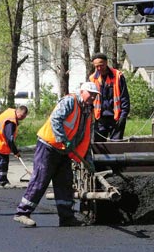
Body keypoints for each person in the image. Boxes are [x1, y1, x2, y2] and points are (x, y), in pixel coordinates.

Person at [13, 82, 99, 228]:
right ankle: (23, 212)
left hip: (65, 150)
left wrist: (88, 160)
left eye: (95, 95)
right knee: (41, 179)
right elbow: (55, 120)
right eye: (90, 93)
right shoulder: (70, 101)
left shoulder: (88, 111)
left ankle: (66, 217)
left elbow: (86, 138)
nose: (92, 97)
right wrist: (63, 139)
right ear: (82, 92)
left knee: (65, 183)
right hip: (49, 146)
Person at [89, 53, 130, 141]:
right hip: (100, 119)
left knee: (115, 147)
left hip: (116, 118)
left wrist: (123, 116)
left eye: (101, 65)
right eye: (96, 66)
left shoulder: (118, 76)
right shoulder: (92, 79)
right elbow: (89, 100)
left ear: (106, 63)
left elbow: (124, 98)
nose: (99, 68)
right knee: (99, 147)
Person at [0, 105, 28, 188]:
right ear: (18, 112)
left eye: (24, 117)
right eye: (22, 116)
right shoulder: (11, 121)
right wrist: (15, 152)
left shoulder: (11, 112)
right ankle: (2, 181)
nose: (22, 118)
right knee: (2, 161)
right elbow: (9, 139)